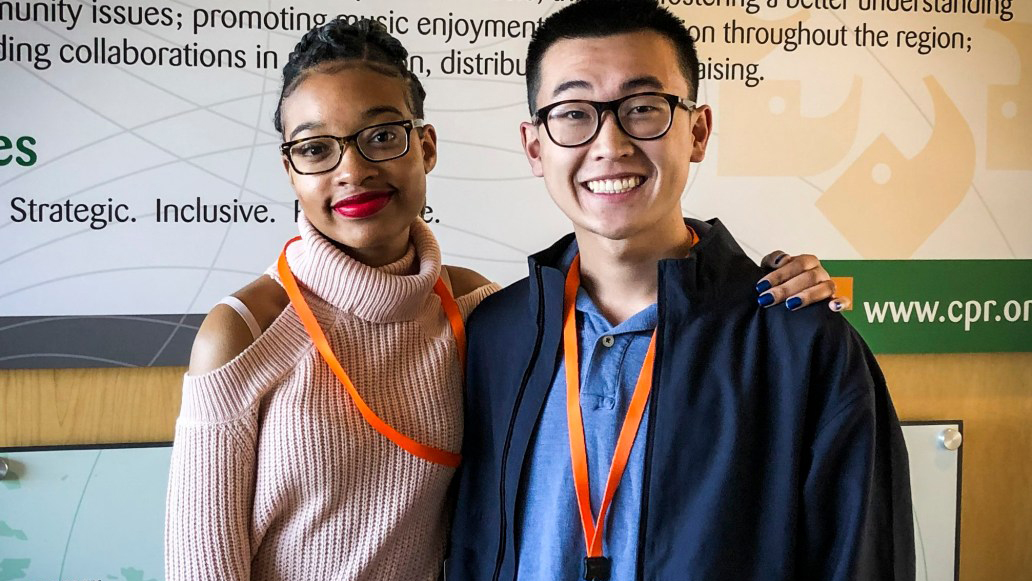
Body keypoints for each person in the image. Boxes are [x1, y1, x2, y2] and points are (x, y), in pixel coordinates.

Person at [164, 16, 843, 581]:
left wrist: (776, 280)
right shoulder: (247, 334)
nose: (353, 169)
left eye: (382, 136)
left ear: (424, 147)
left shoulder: (481, 314)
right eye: (316, 149)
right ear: (290, 168)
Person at [447, 1, 914, 581]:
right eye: (572, 113)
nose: (610, 143)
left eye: (644, 108)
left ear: (697, 131)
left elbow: (860, 560)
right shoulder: (498, 336)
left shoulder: (799, 343)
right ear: (535, 146)